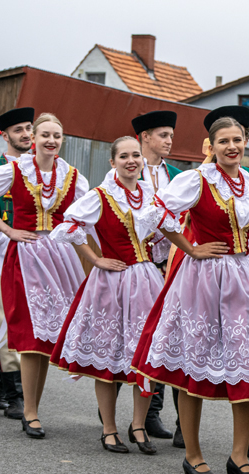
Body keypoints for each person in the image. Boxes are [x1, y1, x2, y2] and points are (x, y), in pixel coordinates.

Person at [132, 109, 249, 474]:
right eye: (224, 141)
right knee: (195, 365)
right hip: (203, 278)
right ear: (212, 146)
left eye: (237, 140)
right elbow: (154, 213)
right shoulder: (197, 179)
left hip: (244, 278)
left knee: (248, 363)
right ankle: (193, 454)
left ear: (246, 142)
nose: (232, 147)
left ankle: (239, 455)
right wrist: (190, 248)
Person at [49, 136, 168, 455]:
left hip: (145, 279)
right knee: (108, 356)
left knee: (146, 356)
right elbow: (69, 226)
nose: (131, 160)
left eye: (135, 155)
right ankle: (109, 428)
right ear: (112, 162)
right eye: (124, 156)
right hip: (111, 283)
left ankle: (139, 426)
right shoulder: (101, 195)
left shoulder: (151, 194)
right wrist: (95, 258)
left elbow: (163, 232)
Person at [0, 113, 89, 439]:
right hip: (26, 255)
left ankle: (32, 407)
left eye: (56, 135)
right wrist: (6, 229)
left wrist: (95, 260)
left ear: (62, 139)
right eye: (44, 134)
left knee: (46, 339)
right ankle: (30, 412)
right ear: (35, 138)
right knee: (30, 336)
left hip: (59, 258)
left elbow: (86, 219)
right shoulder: (15, 170)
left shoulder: (73, 176)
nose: (50, 140)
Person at [130, 110, 182, 442]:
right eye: (163, 135)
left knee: (168, 336)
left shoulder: (178, 176)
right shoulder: (127, 169)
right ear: (145, 136)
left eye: (171, 136)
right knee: (137, 335)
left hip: (168, 263)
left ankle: (154, 412)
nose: (169, 141)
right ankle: (133, 413)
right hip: (135, 262)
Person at [0, 107, 34, 420]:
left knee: (28, 318)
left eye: (29, 127)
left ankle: (2, 383)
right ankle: (16, 393)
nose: (26, 134)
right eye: (18, 129)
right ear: (5, 136)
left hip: (34, 253)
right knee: (6, 317)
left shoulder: (42, 168)